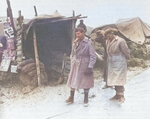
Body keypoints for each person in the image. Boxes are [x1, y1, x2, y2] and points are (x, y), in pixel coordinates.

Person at [66, 27, 97, 107]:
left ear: (83, 33)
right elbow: (72, 52)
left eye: (79, 33)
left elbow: (93, 56)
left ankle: (86, 99)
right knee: (73, 79)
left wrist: (90, 67)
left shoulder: (88, 43)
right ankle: (71, 97)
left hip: (84, 64)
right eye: (76, 33)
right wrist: (72, 59)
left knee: (85, 81)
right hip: (76, 63)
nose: (77, 35)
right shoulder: (75, 42)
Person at [104, 28, 130, 104]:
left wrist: (127, 58)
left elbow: (126, 51)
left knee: (119, 78)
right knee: (114, 78)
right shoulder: (107, 41)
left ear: (112, 34)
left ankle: (121, 96)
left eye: (108, 35)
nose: (107, 37)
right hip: (111, 61)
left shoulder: (120, 41)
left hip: (119, 61)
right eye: (106, 36)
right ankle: (117, 94)